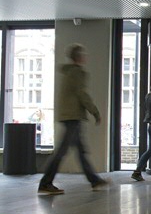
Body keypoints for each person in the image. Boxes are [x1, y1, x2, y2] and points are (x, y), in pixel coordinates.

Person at [38, 43, 107, 194]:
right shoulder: (77, 73)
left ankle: (94, 180)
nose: (85, 57)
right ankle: (45, 183)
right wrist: (95, 112)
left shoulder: (69, 72)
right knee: (62, 151)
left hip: (69, 115)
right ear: (79, 57)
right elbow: (82, 94)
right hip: (72, 117)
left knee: (81, 151)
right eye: (84, 54)